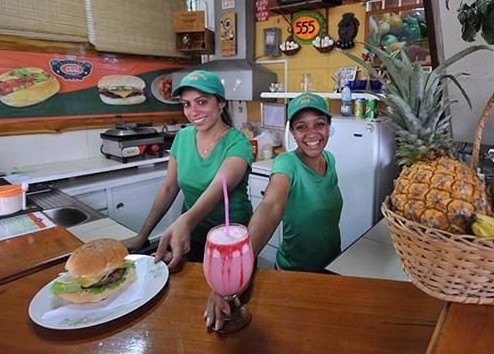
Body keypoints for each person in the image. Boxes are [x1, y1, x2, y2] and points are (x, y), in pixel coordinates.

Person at [204, 92, 343, 330]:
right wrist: (239, 267)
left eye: (319, 124)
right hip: (295, 273)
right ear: (292, 132)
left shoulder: (329, 159)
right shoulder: (286, 163)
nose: (312, 134)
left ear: (329, 127)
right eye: (301, 127)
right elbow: (271, 206)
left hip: (331, 266)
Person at [123, 70, 253, 268]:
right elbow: (169, 188)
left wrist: (186, 221)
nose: (193, 111)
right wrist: (143, 235)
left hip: (230, 238)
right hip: (193, 236)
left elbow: (219, 188)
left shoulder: (238, 143)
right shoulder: (183, 137)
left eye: (202, 102)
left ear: (221, 103)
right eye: (186, 104)